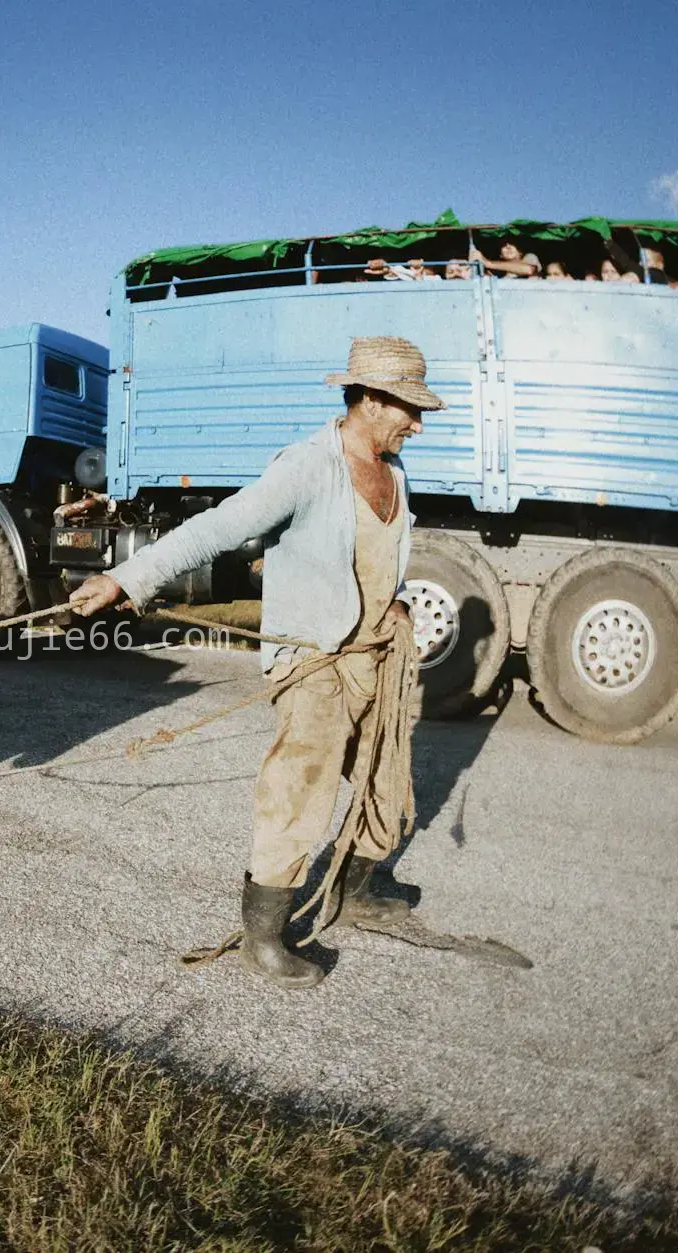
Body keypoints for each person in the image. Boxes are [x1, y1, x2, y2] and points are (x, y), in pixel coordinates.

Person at [70, 336, 441, 990]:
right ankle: (264, 936)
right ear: (371, 400)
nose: (418, 422)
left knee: (384, 773)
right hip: (313, 655)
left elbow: (384, 558)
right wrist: (126, 580)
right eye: (409, 409)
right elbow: (216, 527)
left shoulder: (397, 473)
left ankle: (355, 889)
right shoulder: (307, 467)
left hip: (373, 649)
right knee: (302, 781)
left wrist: (401, 601)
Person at [475, 240, 541, 278]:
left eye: (512, 243)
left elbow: (529, 270)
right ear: (501, 255)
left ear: (520, 251)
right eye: (503, 245)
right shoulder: (501, 275)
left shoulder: (530, 257)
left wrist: (489, 263)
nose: (508, 246)